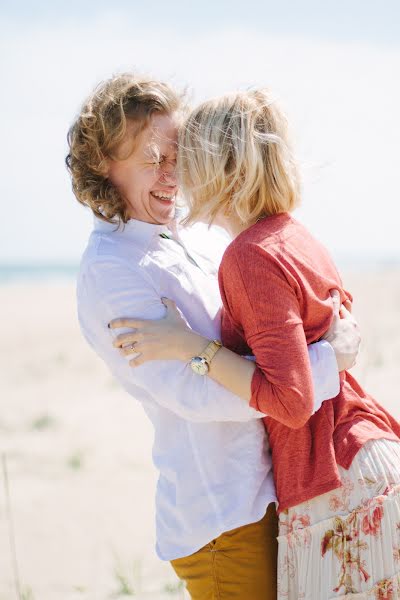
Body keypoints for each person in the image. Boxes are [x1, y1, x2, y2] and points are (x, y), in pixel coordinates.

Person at [67, 74, 360, 600]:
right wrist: (326, 362)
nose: (170, 175)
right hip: (223, 515)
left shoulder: (193, 237)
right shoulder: (111, 271)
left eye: (177, 157)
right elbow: (196, 394)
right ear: (103, 167)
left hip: (274, 491)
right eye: (151, 159)